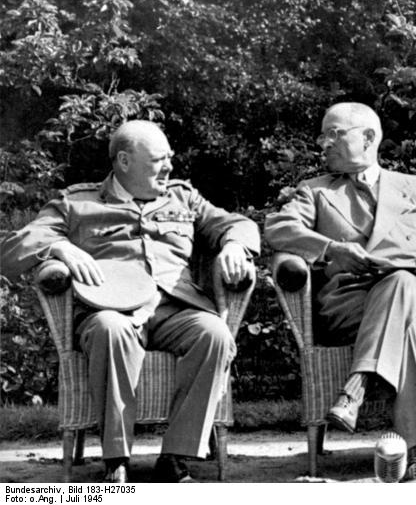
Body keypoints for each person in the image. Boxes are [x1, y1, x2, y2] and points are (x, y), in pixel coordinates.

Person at [0, 120, 260, 483]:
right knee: (110, 330)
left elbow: (237, 223)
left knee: (215, 333)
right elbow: (11, 250)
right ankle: (116, 461)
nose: (169, 167)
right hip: (109, 310)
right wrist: (58, 246)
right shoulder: (77, 203)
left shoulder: (182, 197)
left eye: (169, 158)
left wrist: (234, 245)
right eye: (158, 160)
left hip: (175, 309)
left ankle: (176, 457)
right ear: (123, 161)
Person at [263, 102, 416, 482]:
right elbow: (277, 230)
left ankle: (355, 389)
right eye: (322, 135)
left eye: (333, 133)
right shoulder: (315, 191)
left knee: (400, 283)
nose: (323, 143)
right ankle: (411, 451)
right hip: (350, 302)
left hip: (415, 291)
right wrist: (331, 250)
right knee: (406, 328)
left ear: (368, 138)